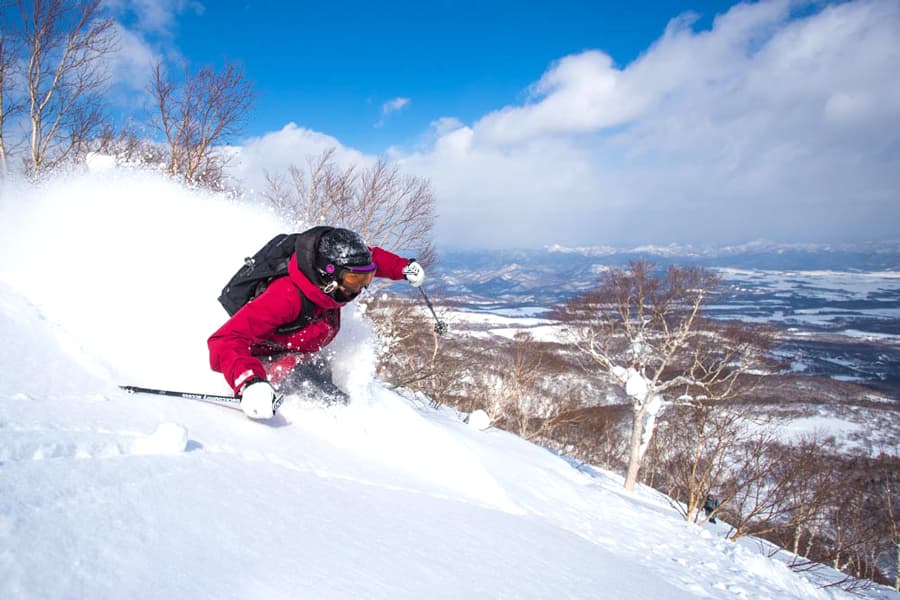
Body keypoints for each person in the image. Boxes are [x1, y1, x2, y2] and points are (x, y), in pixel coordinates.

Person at [208, 226, 425, 419]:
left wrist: (402, 268)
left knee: (335, 392)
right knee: (334, 406)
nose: (360, 288)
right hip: (270, 359)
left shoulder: (331, 283)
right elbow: (225, 339)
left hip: (303, 353)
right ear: (327, 273)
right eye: (354, 280)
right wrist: (249, 382)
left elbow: (370, 258)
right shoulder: (286, 296)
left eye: (366, 278)